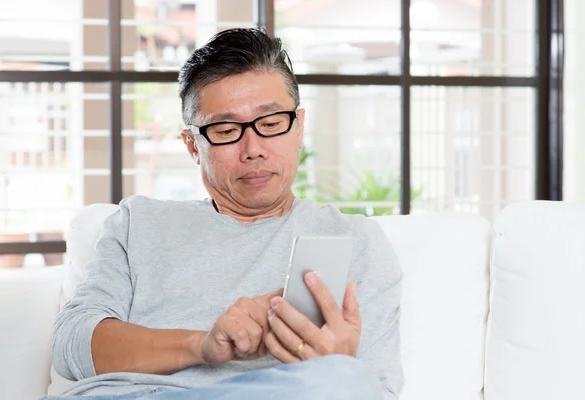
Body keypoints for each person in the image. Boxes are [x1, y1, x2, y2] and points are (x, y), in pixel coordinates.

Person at [47, 28, 403, 400]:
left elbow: (376, 389)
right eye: (227, 129)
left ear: (298, 127)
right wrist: (201, 345)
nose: (253, 149)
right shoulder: (138, 223)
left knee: (350, 381)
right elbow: (71, 346)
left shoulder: (353, 238)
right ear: (193, 145)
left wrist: (334, 364)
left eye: (270, 124)